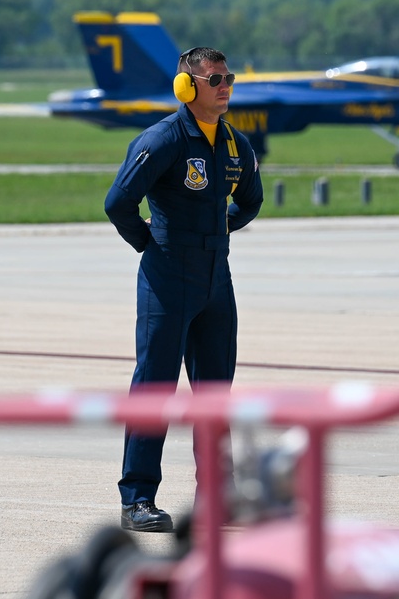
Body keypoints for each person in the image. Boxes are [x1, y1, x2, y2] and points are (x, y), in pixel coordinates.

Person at [104, 46, 263, 532]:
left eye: (228, 76)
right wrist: (152, 243)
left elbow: (250, 202)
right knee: (154, 386)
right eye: (214, 78)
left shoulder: (236, 144)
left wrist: (214, 235)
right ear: (186, 88)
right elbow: (118, 203)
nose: (224, 85)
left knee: (215, 392)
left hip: (216, 276)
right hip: (168, 275)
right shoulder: (163, 140)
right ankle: (137, 500)